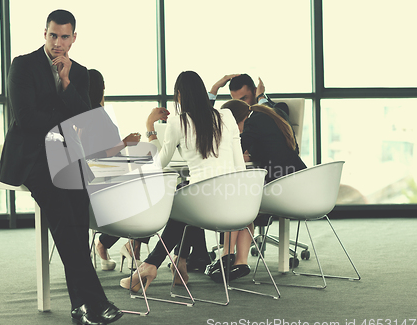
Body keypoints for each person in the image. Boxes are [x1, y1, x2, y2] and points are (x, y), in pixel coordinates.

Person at [0, 10, 122, 325]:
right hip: (32, 156)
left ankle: (82, 307)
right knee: (65, 222)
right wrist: (66, 122)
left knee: (78, 226)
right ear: (45, 34)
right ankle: (96, 301)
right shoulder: (23, 65)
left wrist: (66, 82)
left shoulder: (79, 73)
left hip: (67, 156)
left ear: (73, 38)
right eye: (53, 35)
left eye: (64, 37)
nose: (58, 42)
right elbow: (25, 118)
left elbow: (85, 116)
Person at [119, 70, 245, 292]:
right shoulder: (226, 116)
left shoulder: (178, 121)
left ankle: (152, 265)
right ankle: (179, 262)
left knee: (177, 202)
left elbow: (159, 162)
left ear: (179, 95)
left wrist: (150, 129)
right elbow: (239, 166)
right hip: (234, 205)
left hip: (202, 207)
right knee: (184, 197)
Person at [206, 99, 307, 282]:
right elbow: (275, 148)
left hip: (284, 185)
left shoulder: (253, 122)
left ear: (236, 121)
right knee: (243, 197)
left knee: (239, 199)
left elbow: (233, 152)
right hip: (298, 180)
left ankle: (227, 254)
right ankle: (240, 262)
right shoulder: (270, 115)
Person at [87, 69, 148, 272]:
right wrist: (126, 143)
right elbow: (97, 154)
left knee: (143, 193)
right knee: (147, 197)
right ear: (103, 87)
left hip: (103, 180)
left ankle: (111, 245)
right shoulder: (95, 115)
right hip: (102, 185)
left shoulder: (87, 113)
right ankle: (129, 248)